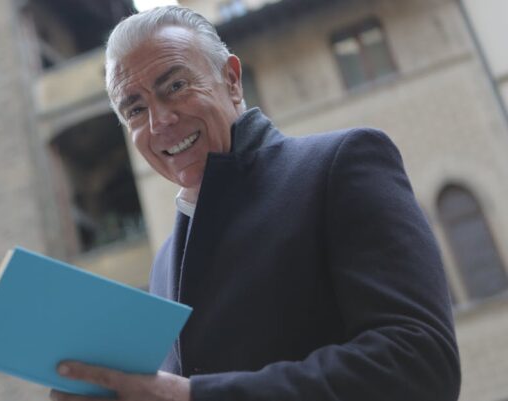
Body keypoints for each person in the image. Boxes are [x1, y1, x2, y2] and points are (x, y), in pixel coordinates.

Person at [50, 6, 460, 401]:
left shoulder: (341, 164)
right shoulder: (163, 262)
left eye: (174, 86)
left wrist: (194, 395)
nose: (159, 122)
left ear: (231, 80)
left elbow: (420, 362)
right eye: (135, 109)